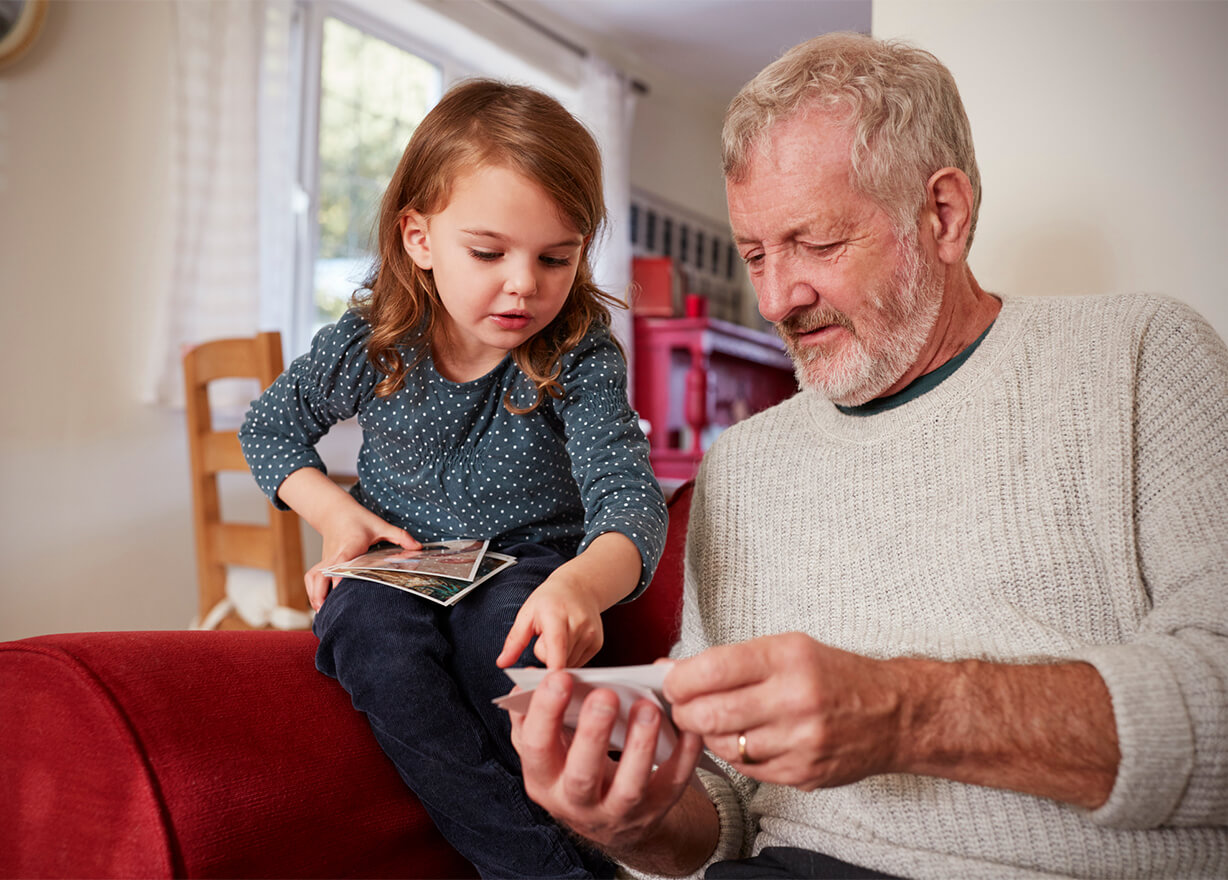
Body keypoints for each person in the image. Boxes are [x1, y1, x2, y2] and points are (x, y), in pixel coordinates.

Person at [508, 32, 1228, 880]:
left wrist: (903, 715)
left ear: (944, 216)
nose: (777, 298)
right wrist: (635, 820)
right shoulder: (741, 466)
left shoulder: (1139, 359)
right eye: (756, 255)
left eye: (816, 244)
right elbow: (729, 812)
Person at [239, 79, 667, 879]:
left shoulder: (578, 352)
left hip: (525, 565)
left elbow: (628, 496)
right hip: (396, 560)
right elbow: (269, 428)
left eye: (556, 258)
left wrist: (581, 585)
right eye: (489, 252)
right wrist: (338, 518)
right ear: (419, 238)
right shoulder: (373, 342)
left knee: (500, 647)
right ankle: (542, 867)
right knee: (367, 638)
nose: (523, 284)